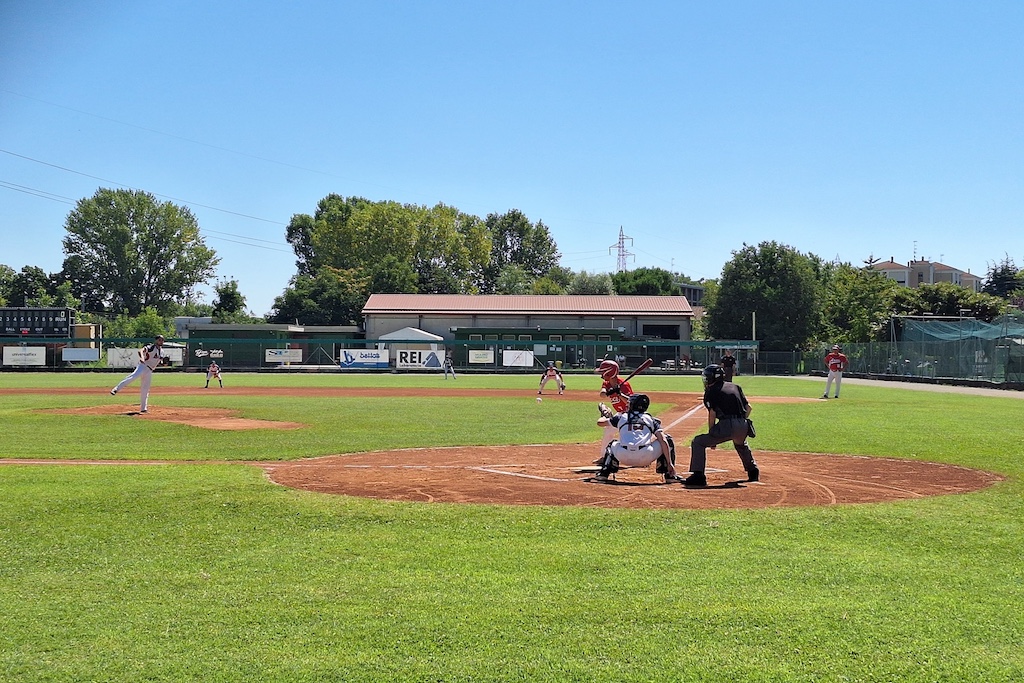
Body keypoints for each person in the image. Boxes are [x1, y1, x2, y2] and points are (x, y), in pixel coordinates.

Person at [683, 364, 759, 487]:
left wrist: (712, 434)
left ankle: (698, 476)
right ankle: (753, 471)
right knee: (740, 444)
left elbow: (712, 414)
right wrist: (739, 422)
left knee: (698, 442)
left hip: (728, 424)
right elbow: (748, 408)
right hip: (744, 424)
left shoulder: (711, 391)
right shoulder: (736, 386)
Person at [592, 393, 678, 483]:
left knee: (612, 444)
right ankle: (670, 475)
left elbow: (600, 423)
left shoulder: (621, 417)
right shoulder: (650, 419)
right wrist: (669, 463)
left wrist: (605, 416)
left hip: (623, 457)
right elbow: (663, 440)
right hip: (646, 457)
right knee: (667, 439)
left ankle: (603, 473)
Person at [110, 334, 167, 413]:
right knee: (133, 377)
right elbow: (141, 350)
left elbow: (159, 362)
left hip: (149, 370)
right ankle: (116, 389)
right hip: (143, 366)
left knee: (145, 389)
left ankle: (143, 408)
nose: (161, 341)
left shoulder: (162, 352)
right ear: (156, 340)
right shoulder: (151, 347)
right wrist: (142, 358)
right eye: (160, 340)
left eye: (162, 340)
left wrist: (164, 364)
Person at [595, 359, 635, 459]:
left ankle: (641, 456)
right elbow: (602, 394)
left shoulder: (624, 385)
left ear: (609, 372)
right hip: (620, 414)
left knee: (630, 438)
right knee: (608, 430)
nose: (601, 373)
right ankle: (604, 457)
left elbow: (630, 402)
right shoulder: (607, 383)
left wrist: (619, 394)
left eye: (603, 371)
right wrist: (610, 391)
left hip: (630, 415)